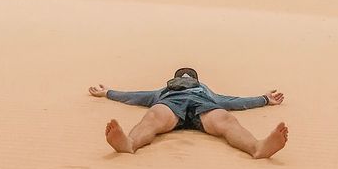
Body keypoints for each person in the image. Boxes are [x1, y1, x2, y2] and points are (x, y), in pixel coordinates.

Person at [88, 67, 288, 158]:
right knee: (152, 117)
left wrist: (263, 99)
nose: (185, 75)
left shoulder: (206, 91)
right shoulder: (161, 92)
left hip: (204, 106)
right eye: (181, 74)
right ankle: (129, 144)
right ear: (174, 80)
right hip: (171, 105)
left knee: (226, 119)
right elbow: (135, 96)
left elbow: (232, 101)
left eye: (189, 75)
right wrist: (108, 92)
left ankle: (257, 147)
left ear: (196, 80)